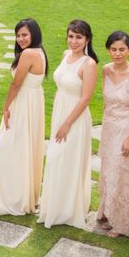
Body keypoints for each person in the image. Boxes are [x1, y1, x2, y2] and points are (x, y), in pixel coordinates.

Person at [38, 19, 98, 229]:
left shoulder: (88, 64)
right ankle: (53, 204)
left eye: (78, 37)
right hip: (60, 108)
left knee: (66, 159)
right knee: (56, 159)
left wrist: (67, 124)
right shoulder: (66, 55)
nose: (73, 41)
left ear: (87, 39)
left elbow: (86, 98)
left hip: (75, 117)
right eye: (71, 36)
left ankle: (67, 210)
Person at [0, 18, 47, 216]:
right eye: (18, 35)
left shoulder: (29, 53)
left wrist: (6, 106)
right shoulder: (39, 52)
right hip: (33, 100)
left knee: (7, 147)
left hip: (23, 102)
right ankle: (22, 192)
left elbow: (16, 84)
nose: (20, 39)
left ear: (34, 34)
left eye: (25, 34)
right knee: (22, 147)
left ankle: (12, 196)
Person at [96, 31, 129, 237]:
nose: (118, 54)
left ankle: (123, 223)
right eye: (114, 49)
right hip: (109, 127)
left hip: (128, 127)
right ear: (108, 50)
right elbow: (106, 102)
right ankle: (107, 212)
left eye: (122, 50)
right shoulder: (106, 70)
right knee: (108, 171)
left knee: (123, 174)